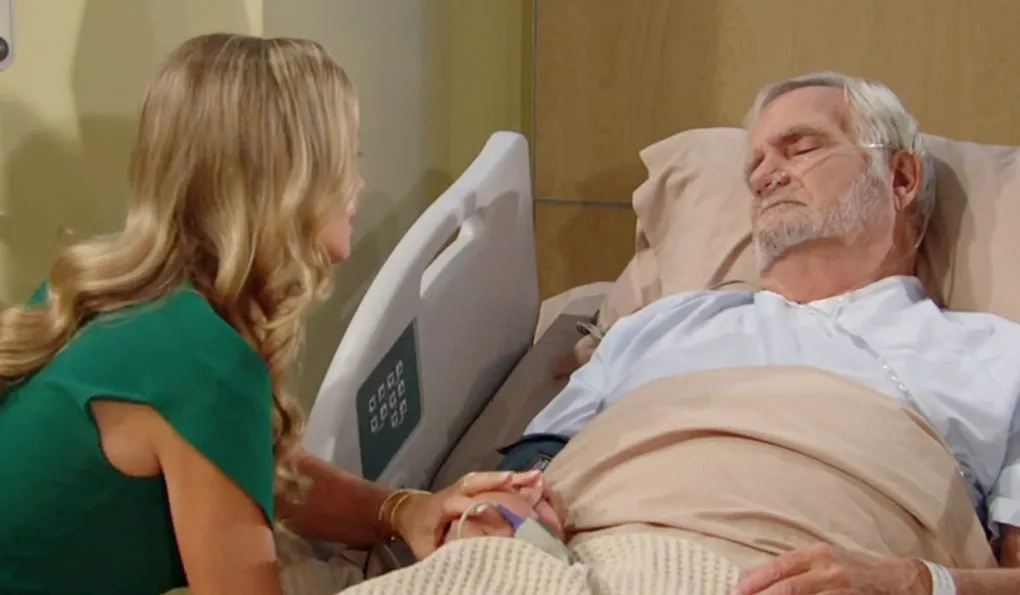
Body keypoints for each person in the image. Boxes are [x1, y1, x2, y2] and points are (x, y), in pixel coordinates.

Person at [0, 33, 551, 595]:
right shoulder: (201, 364)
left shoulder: (109, 292)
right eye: (346, 161)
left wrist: (403, 510)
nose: (358, 184)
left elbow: (253, 468)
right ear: (286, 183)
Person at [450, 72, 1020, 594]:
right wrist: (487, 506)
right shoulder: (656, 326)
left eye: (801, 148)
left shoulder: (998, 359)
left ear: (899, 177)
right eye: (755, 168)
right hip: (574, 565)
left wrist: (918, 583)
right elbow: (531, 468)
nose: (766, 175)